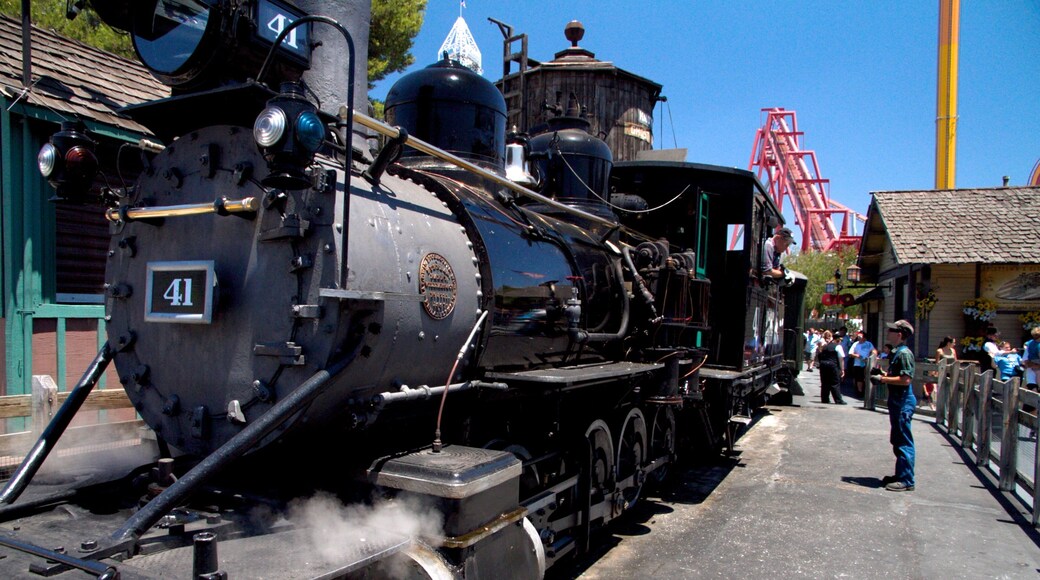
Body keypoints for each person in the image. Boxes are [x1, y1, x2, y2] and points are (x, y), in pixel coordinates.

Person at [875, 320, 916, 492]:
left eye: (891, 331)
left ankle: (906, 479)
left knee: (903, 441)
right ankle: (901, 474)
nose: (888, 333)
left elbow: (906, 379)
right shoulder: (898, 352)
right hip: (898, 400)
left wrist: (883, 379)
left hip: (903, 400)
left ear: (899, 334)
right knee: (898, 439)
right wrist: (883, 374)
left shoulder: (904, 353)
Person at [815, 330, 847, 404]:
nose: (841, 342)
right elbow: (841, 358)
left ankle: (825, 399)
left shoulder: (825, 346)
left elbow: (820, 355)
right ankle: (838, 400)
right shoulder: (838, 347)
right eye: (840, 340)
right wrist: (842, 369)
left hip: (823, 365)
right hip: (833, 365)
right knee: (835, 382)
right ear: (838, 340)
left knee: (825, 382)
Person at [848, 331, 877, 395]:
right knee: (859, 378)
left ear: (864, 338)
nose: (859, 337)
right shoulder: (855, 344)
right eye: (858, 336)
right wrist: (857, 356)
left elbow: (874, 350)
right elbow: (850, 353)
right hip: (858, 364)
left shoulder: (868, 344)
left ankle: (866, 391)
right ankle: (859, 391)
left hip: (867, 363)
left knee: (866, 377)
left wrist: (873, 356)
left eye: (860, 336)